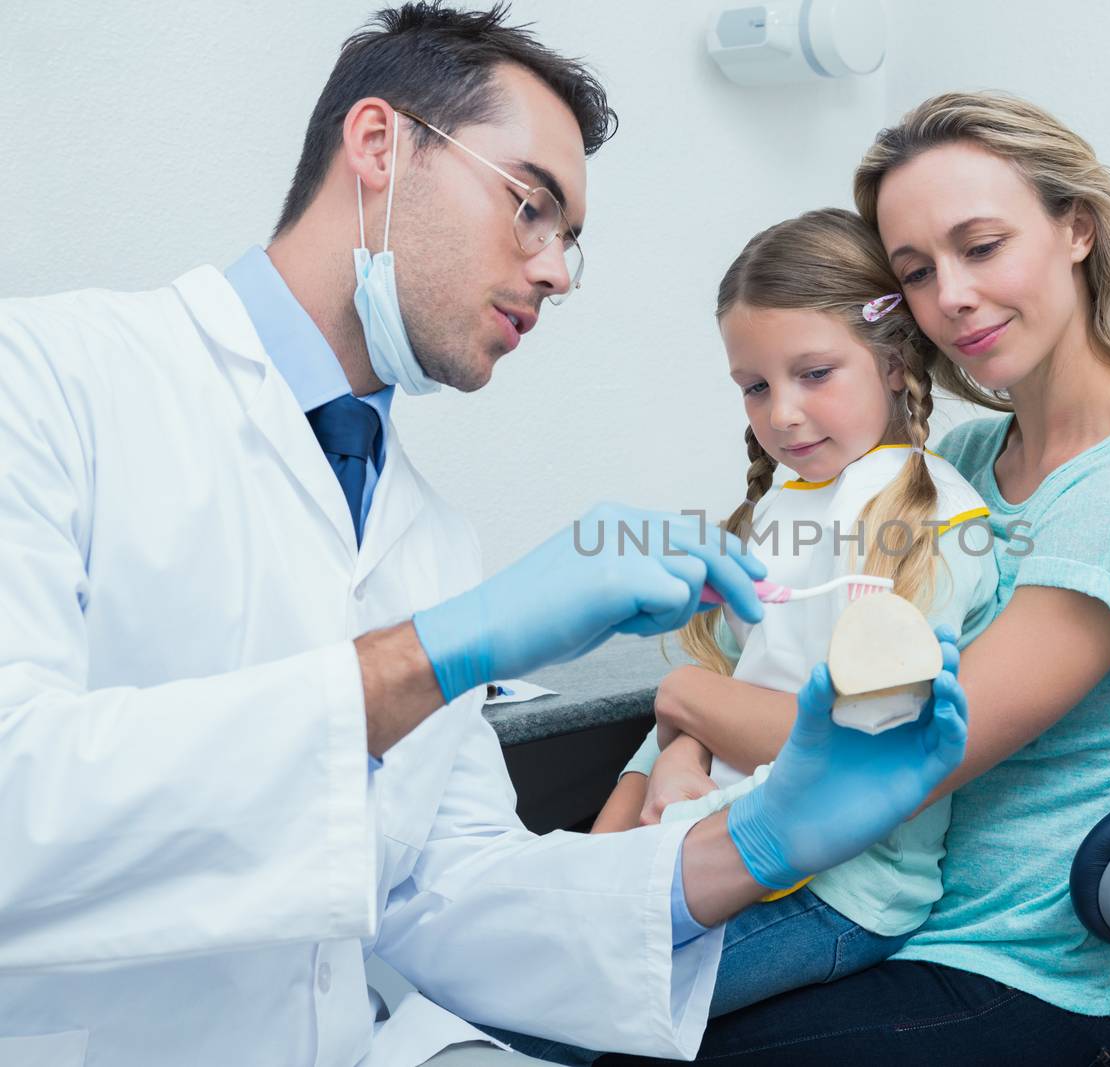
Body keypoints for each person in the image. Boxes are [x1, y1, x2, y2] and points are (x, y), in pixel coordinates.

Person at [0, 9, 971, 1066]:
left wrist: (757, 840)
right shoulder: (43, 382)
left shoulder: (425, 538)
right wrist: (447, 645)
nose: (557, 271)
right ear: (379, 145)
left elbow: (456, 897)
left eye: (569, 239)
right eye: (530, 206)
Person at [603, 91, 1110, 1066]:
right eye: (917, 270)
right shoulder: (959, 453)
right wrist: (661, 758)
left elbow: (903, 746)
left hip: (1018, 978)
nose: (950, 294)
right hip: (882, 925)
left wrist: (683, 700)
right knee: (583, 1002)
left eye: (982, 246)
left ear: (1075, 229)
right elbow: (778, 654)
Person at [594, 210, 998, 1018]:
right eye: (756, 386)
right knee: (535, 962)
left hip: (840, 891)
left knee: (578, 1002)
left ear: (891, 361)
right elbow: (731, 677)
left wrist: (689, 714)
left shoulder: (932, 523)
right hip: (720, 837)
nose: (781, 413)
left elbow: (865, 754)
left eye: (814, 373)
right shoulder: (786, 505)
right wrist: (681, 754)